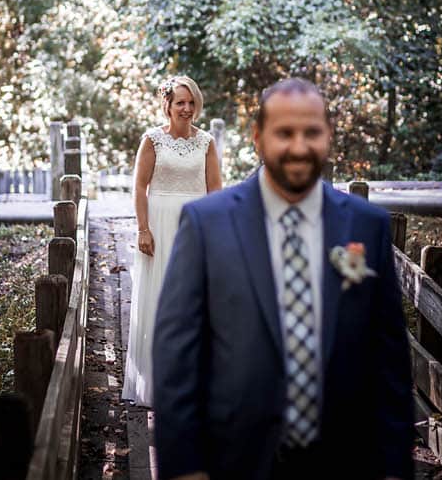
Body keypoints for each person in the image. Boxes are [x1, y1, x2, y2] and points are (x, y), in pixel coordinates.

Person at [152, 78, 413, 479]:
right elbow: (177, 355)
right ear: (258, 137)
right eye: (284, 133)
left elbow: (389, 360)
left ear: (328, 136)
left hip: (345, 460)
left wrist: (393, 468)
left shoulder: (367, 225)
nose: (299, 146)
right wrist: (186, 469)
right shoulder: (207, 223)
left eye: (312, 133)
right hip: (236, 458)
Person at [125, 75, 221, 406]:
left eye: (192, 102)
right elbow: (140, 187)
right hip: (160, 226)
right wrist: (143, 228)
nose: (187, 108)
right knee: (160, 299)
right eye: (180, 102)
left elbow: (215, 190)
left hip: (194, 227)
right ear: (167, 105)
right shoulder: (152, 140)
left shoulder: (206, 142)